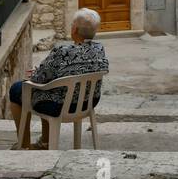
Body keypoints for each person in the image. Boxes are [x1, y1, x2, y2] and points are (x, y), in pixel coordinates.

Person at [9, 8, 109, 148]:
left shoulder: (62, 52)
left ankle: (24, 145)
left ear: (74, 29)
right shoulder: (99, 49)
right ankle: (45, 142)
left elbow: (38, 79)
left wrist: (37, 74)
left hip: (60, 106)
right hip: (88, 102)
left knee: (17, 89)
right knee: (50, 88)